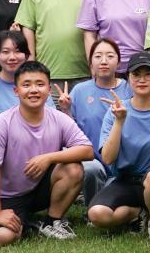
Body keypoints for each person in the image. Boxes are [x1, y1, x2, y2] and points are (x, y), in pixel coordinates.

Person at [0, 61, 95, 245]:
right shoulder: (2, 122)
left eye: (40, 84)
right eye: (26, 85)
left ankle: (52, 221)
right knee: (1, 237)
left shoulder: (58, 118)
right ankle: (27, 224)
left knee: (73, 168)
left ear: (48, 90)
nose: (34, 90)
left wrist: (48, 158)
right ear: (16, 91)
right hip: (8, 197)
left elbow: (87, 150)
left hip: (41, 190)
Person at [89, 51, 150, 240]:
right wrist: (120, 121)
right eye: (136, 74)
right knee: (97, 214)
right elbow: (108, 158)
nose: (142, 80)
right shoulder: (116, 111)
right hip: (126, 180)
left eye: (148, 74)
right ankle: (139, 213)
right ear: (128, 78)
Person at [60, 38, 131, 208]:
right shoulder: (80, 91)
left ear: (118, 62)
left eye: (110, 56)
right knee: (92, 170)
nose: (104, 61)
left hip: (122, 160)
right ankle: (91, 208)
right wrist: (66, 109)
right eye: (98, 56)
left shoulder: (129, 89)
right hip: (92, 159)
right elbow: (71, 131)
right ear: (90, 62)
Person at [0, 30, 56, 122]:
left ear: (26, 56)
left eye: (17, 51)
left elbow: (51, 119)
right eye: (5, 52)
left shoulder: (37, 84)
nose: (12, 57)